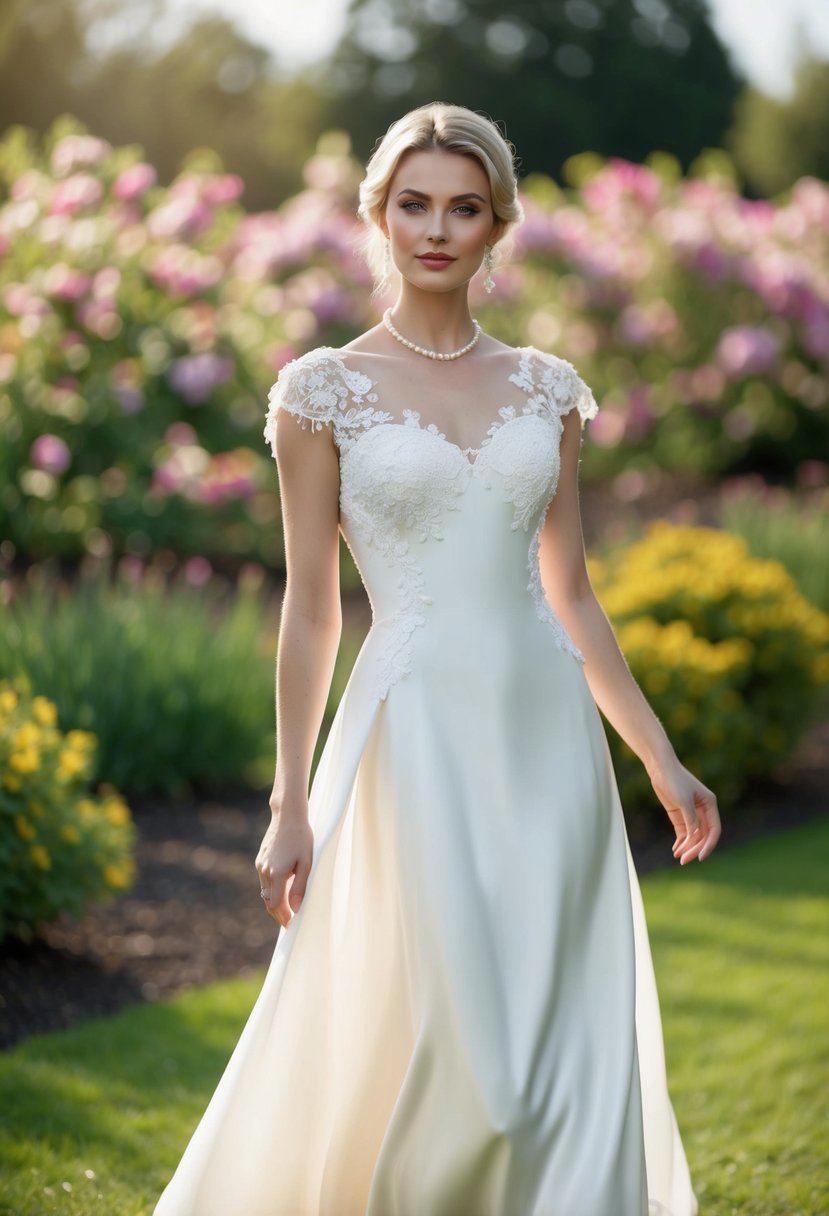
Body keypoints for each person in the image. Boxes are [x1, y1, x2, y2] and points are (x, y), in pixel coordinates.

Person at [153, 101, 721, 1216]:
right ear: (377, 214)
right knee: (469, 1055)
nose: (436, 228)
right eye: (413, 203)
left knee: (556, 1041)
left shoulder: (548, 389)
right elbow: (312, 610)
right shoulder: (320, 389)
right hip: (412, 733)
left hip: (545, 731)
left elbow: (572, 592)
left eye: (464, 207)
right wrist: (286, 800)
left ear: (498, 226)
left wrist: (657, 755)